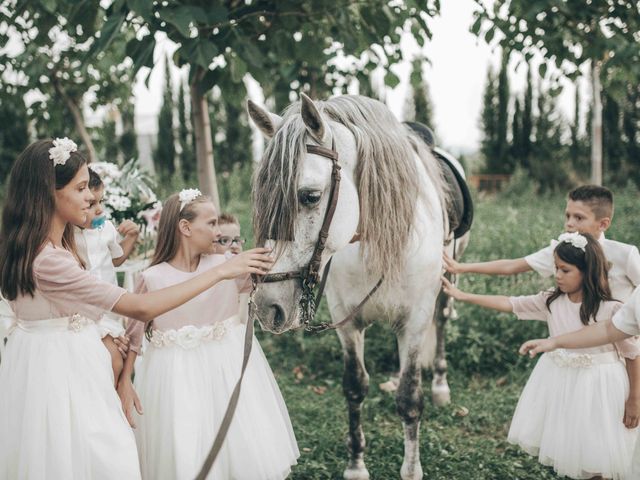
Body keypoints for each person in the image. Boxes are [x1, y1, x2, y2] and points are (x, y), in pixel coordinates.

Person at [0, 139, 273, 480]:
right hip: (60, 379)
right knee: (98, 460)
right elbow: (141, 308)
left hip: (70, 367)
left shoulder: (57, 248)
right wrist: (221, 271)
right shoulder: (49, 261)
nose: (90, 197)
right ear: (47, 194)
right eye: (82, 188)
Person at [118, 191, 299, 480]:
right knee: (186, 446)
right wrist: (126, 380)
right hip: (173, 377)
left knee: (239, 445)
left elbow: (276, 275)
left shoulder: (227, 264)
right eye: (212, 223)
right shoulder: (153, 277)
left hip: (225, 367)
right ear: (186, 227)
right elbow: (134, 336)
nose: (218, 232)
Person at [443, 232, 639, 479]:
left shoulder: (611, 309)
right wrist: (463, 296)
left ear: (586, 270)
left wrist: (634, 398)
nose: (557, 275)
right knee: (576, 448)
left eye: (565, 270)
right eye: (555, 268)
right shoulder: (551, 301)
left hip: (601, 389)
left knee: (599, 454)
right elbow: (511, 303)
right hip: (564, 385)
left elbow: (633, 355)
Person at [444, 184, 640, 425]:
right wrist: (462, 267)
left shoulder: (625, 254)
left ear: (603, 224)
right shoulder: (563, 251)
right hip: (571, 350)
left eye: (578, 217)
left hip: (617, 350)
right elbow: (513, 266)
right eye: (567, 215)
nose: (569, 223)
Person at [74, 167, 140, 382]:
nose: (100, 210)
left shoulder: (107, 229)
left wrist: (132, 236)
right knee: (101, 361)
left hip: (108, 308)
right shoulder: (67, 235)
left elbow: (116, 258)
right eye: (92, 204)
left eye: (101, 202)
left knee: (116, 359)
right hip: (81, 311)